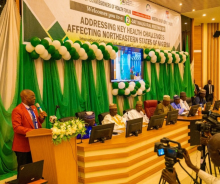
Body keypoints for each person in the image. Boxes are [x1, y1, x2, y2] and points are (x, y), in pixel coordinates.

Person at [12, 89, 47, 177]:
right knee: (24, 170)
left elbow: (35, 124)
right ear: (25, 98)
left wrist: (41, 118)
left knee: (34, 168)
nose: (35, 98)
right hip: (23, 146)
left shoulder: (34, 108)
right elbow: (16, 128)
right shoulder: (17, 110)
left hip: (35, 143)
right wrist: (33, 132)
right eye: (32, 96)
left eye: (34, 96)